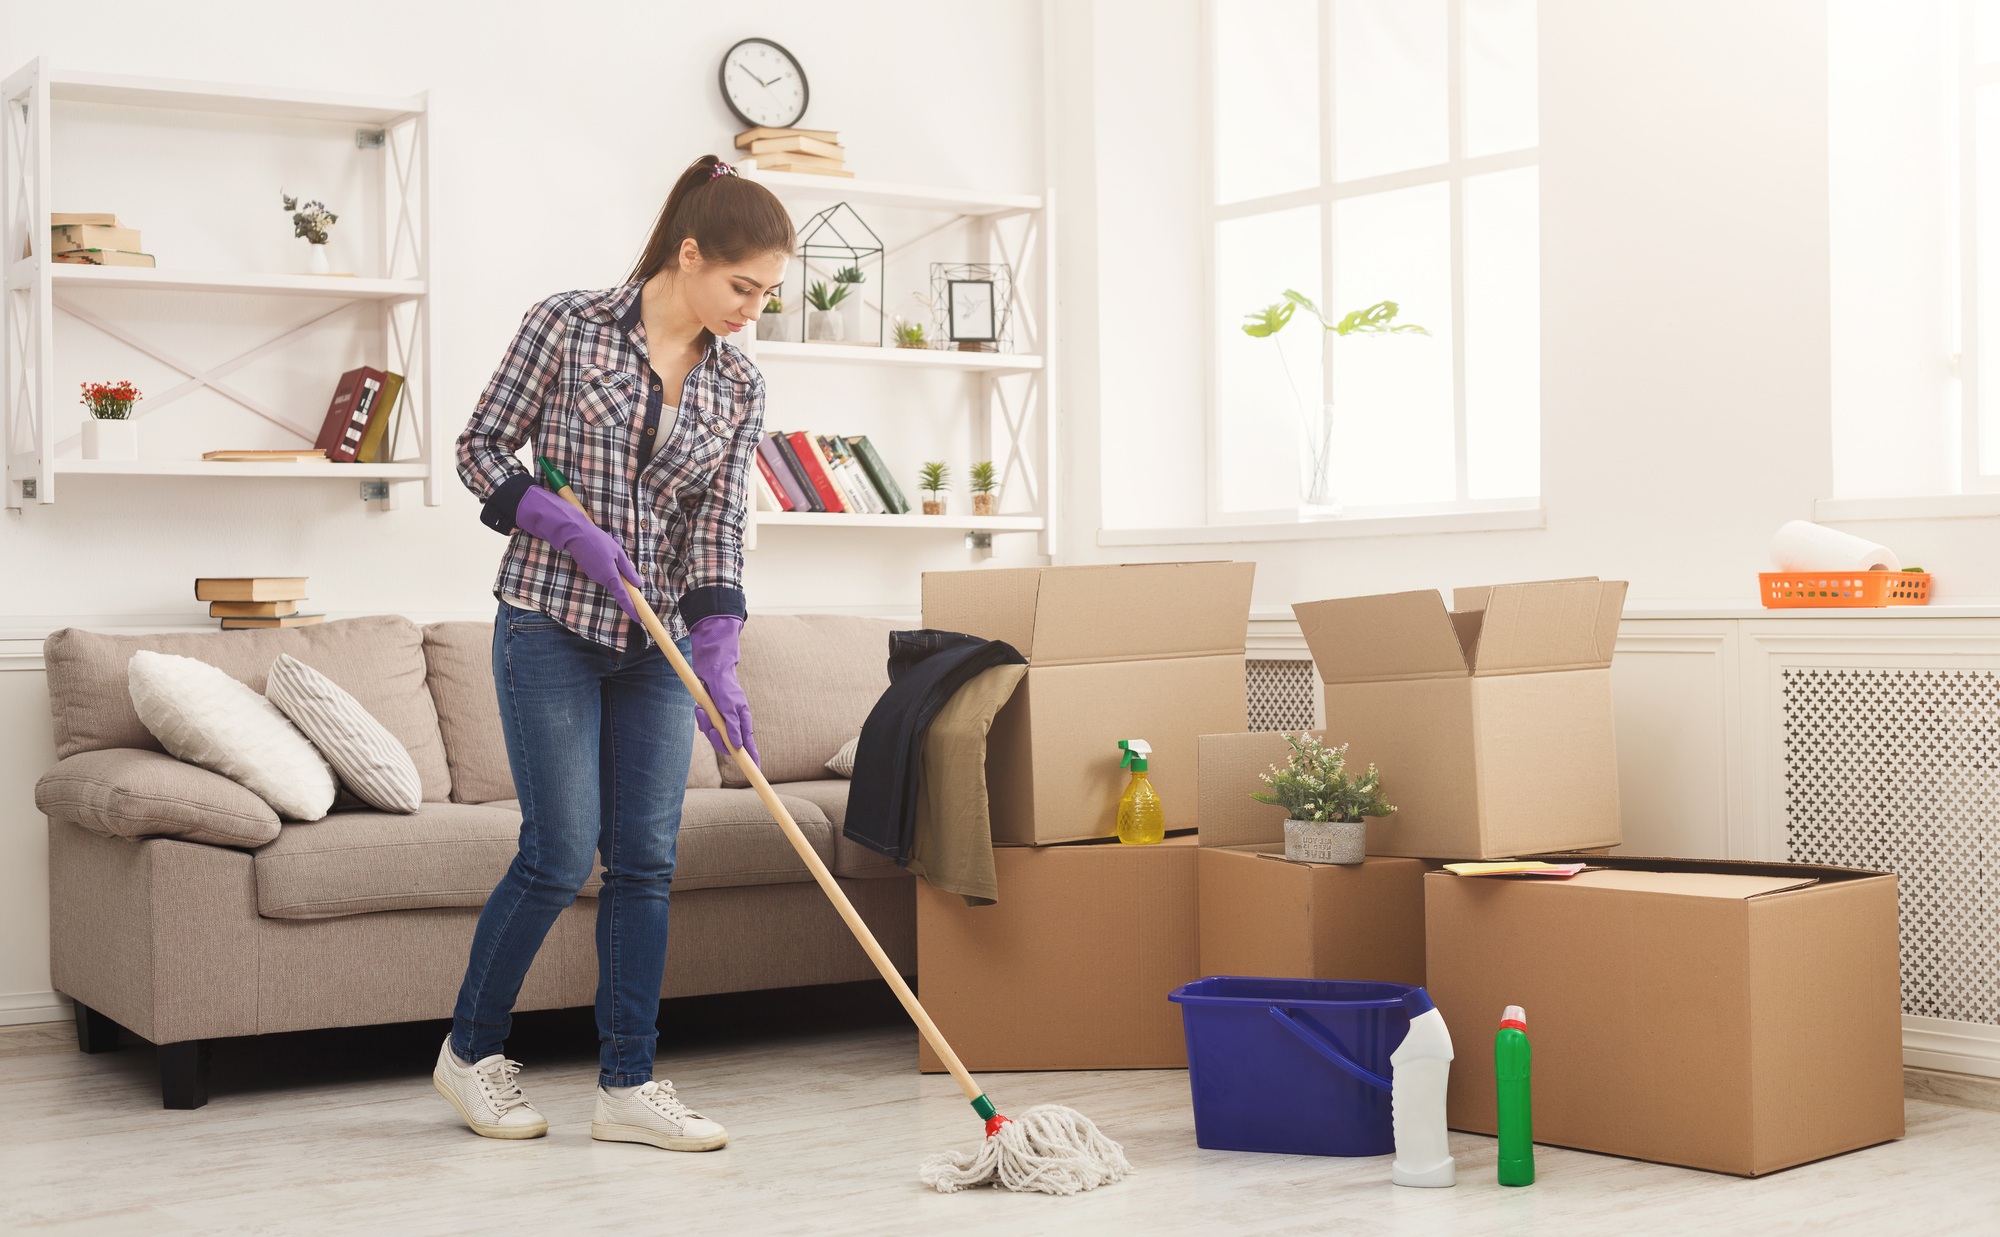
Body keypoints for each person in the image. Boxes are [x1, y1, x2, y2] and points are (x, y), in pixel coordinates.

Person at [431, 154, 792, 1152]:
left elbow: (718, 521)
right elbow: (479, 450)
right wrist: (550, 517)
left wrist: (717, 644)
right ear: (688, 253)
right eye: (741, 286)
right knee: (557, 855)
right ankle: (468, 1055)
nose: (752, 310)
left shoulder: (738, 384)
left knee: (644, 863)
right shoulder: (569, 325)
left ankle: (627, 1082)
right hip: (547, 619)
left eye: (767, 293)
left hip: (655, 643)